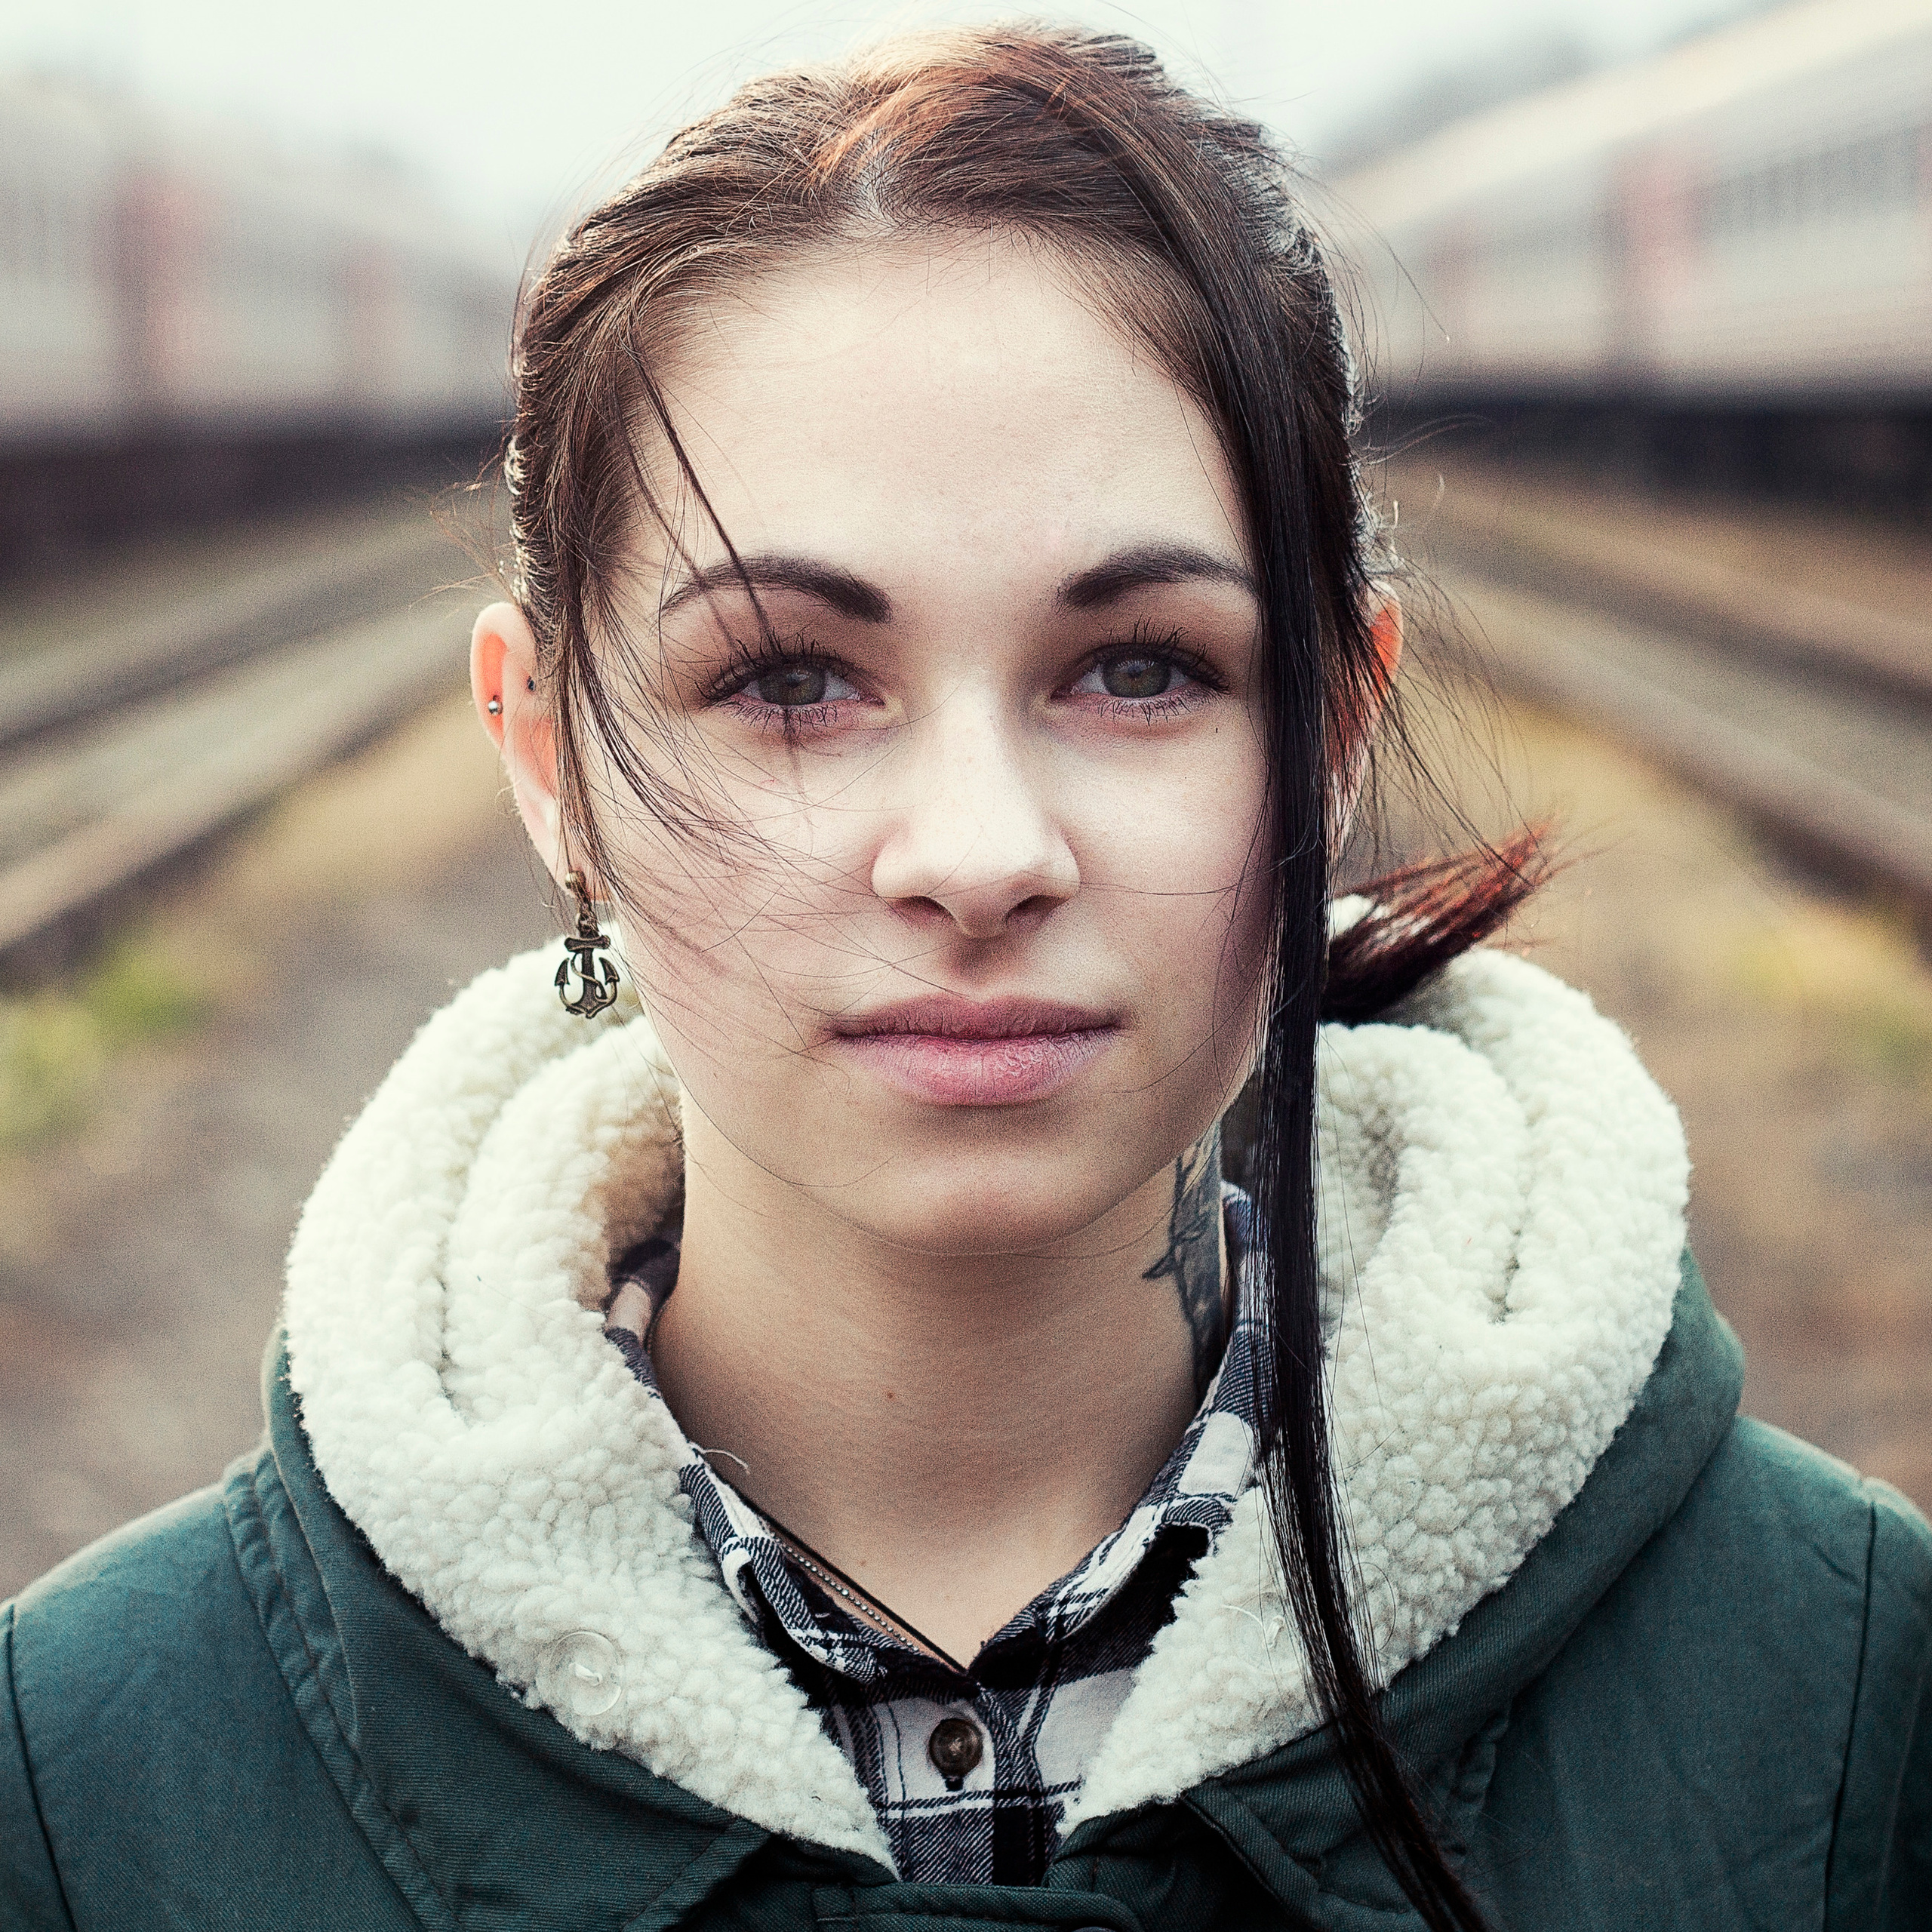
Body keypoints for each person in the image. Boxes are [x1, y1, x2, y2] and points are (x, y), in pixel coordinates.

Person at [3, 26, 1927, 1931]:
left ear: (1332, 728)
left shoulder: (1850, 1707)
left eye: (1141, 666)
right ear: (545, 761)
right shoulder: (75, 1783)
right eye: (786, 680)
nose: (980, 850)